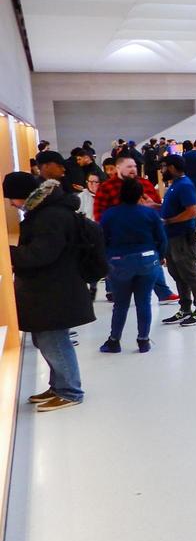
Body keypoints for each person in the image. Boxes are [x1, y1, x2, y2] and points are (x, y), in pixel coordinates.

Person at [4, 172, 94, 411]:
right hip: (52, 287)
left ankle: (70, 391)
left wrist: (7, 254)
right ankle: (59, 385)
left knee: (53, 340)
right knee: (47, 339)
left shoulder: (49, 216)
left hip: (54, 289)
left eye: (12, 198)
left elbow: (41, 254)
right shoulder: (48, 212)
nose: (12, 204)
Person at [98, 177, 167, 353]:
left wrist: (105, 261)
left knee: (120, 304)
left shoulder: (110, 214)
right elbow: (162, 238)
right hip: (147, 259)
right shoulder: (149, 214)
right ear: (139, 194)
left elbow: (102, 240)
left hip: (119, 262)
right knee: (144, 301)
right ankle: (143, 341)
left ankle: (114, 341)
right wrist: (160, 256)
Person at [159, 155, 196, 326]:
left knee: (190, 273)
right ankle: (185, 308)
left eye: (164, 167)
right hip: (171, 237)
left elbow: (191, 212)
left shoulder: (185, 185)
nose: (163, 170)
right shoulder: (175, 185)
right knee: (177, 274)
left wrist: (169, 221)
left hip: (182, 237)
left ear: (171, 167)